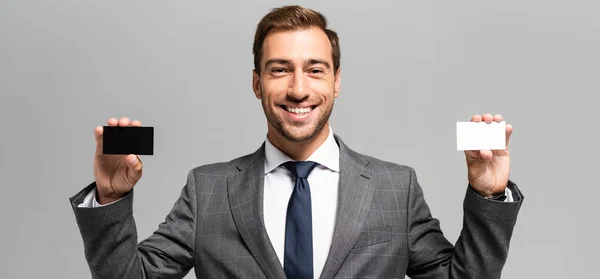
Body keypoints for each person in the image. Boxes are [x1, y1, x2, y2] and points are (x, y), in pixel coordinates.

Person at [69, 5, 523, 279]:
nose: (299, 89)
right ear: (256, 83)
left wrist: (487, 195)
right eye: (280, 69)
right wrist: (110, 199)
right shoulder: (207, 190)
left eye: (315, 69)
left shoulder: (395, 188)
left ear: (337, 81)